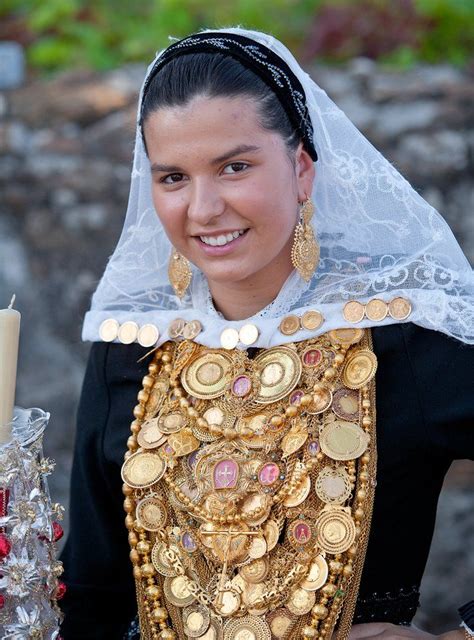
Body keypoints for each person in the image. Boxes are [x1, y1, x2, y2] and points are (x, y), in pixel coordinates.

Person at [59, 27, 474, 640]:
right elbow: (90, 595)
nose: (202, 208)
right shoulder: (131, 348)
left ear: (302, 170)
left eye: (234, 167)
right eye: (172, 177)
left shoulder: (400, 337)